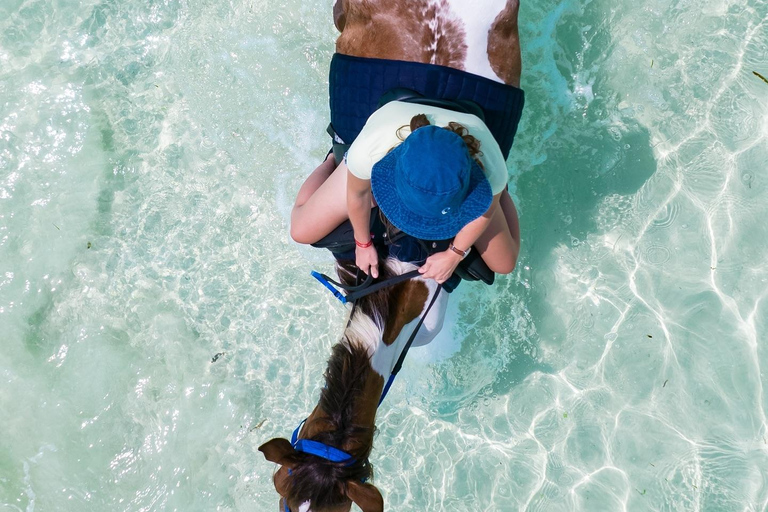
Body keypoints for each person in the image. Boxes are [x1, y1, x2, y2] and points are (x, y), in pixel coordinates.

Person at [290, 100, 520, 284]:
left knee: (505, 263)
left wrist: (454, 254)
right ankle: (330, 159)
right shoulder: (369, 151)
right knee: (300, 230)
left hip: (460, 176)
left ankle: (503, 192)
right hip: (388, 155)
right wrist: (362, 244)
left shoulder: (491, 166)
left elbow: (483, 213)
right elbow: (358, 195)